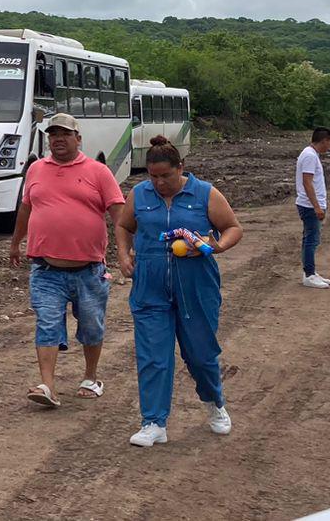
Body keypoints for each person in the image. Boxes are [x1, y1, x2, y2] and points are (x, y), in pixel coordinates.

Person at [117, 135, 243, 447]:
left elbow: (233, 228)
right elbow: (123, 226)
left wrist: (216, 247)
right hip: (150, 286)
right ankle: (153, 422)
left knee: (200, 355)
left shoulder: (204, 194)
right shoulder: (139, 194)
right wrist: (123, 255)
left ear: (181, 168)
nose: (159, 183)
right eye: (153, 176)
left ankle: (215, 403)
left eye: (166, 176)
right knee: (153, 356)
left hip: (196, 285)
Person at [9, 113, 125, 408]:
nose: (57, 140)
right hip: (46, 269)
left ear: (78, 138)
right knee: (47, 323)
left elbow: (118, 213)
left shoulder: (98, 171)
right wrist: (15, 243)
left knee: (91, 326)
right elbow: (26, 208)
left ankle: (90, 377)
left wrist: (126, 250)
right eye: (53, 135)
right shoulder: (35, 169)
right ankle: (47, 385)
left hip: (89, 270)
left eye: (64, 134)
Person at [297, 128, 330, 288]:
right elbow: (307, 182)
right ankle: (309, 275)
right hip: (309, 206)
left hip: (311, 205)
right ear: (324, 140)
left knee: (311, 239)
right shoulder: (310, 156)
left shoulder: (311, 154)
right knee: (311, 240)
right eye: (329, 142)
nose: (329, 146)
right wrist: (316, 207)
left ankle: (310, 272)